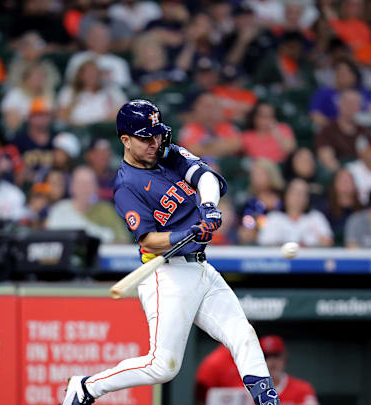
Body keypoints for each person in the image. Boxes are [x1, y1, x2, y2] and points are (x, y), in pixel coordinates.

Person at [63, 100, 281, 405]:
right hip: (166, 272)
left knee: (242, 334)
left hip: (201, 268)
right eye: (145, 138)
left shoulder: (167, 152)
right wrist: (186, 233)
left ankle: (268, 400)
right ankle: (86, 387)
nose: (154, 143)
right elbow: (149, 240)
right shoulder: (127, 187)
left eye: (157, 135)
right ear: (125, 140)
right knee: (162, 366)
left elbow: (206, 177)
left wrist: (208, 208)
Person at [46, 165, 130, 243]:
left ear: (96, 188)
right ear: (72, 187)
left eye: (89, 183)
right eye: (80, 183)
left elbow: (123, 239)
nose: (85, 188)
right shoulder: (60, 210)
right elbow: (50, 241)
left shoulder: (106, 210)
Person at [257, 178, 334, 247]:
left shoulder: (316, 217)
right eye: (295, 192)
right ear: (286, 195)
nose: (299, 197)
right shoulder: (272, 217)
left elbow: (328, 242)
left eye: (304, 194)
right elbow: (264, 244)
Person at [315, 89, 371, 172]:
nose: (351, 107)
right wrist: (345, 177)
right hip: (340, 175)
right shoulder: (327, 131)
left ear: (359, 107)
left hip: (364, 174)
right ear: (339, 105)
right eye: (348, 103)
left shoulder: (366, 131)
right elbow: (327, 160)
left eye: (355, 104)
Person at [56, 59, 127, 127]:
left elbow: (124, 112)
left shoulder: (111, 90)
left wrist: (102, 123)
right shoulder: (69, 91)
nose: (92, 76)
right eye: (88, 73)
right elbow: (62, 116)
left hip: (105, 129)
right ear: (80, 75)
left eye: (94, 72)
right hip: (78, 129)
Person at [64, 22, 132, 87]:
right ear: (88, 39)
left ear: (109, 40)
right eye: (95, 36)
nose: (99, 40)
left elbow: (124, 87)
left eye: (103, 37)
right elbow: (70, 83)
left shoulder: (119, 63)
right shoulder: (77, 59)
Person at [260, 335, 318, 405]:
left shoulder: (303, 389)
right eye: (266, 356)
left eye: (276, 355)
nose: (272, 361)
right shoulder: (247, 389)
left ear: (284, 357)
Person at [318, 168, 362, 246]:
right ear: (334, 184)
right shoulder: (324, 210)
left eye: (349, 180)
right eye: (342, 180)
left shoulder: (362, 209)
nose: (346, 183)